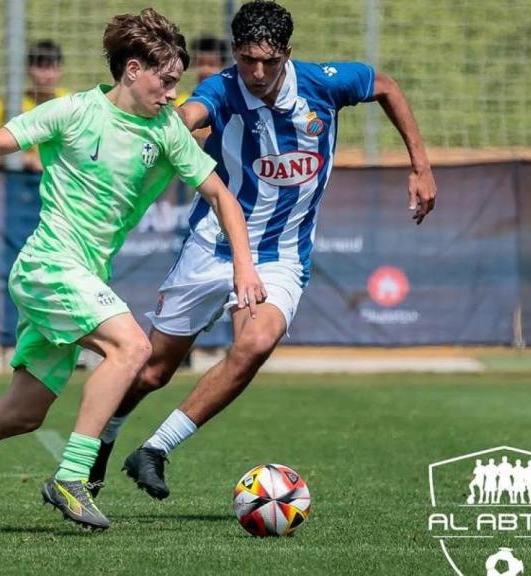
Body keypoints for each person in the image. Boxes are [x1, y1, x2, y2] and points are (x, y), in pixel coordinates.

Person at [0, 8, 262, 532]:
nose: (171, 94)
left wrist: (244, 269)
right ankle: (71, 479)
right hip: (49, 265)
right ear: (133, 69)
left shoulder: (165, 129)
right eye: (165, 80)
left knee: (21, 414)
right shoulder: (72, 112)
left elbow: (223, 197)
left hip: (81, 278)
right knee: (131, 347)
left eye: (176, 83)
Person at [87, 0, 437, 500]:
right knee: (153, 371)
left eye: (268, 62)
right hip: (213, 244)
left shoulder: (325, 83)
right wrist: (156, 128)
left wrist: (420, 164)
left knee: (254, 343)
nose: (256, 72)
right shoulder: (224, 88)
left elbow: (386, 86)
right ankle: (104, 439)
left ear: (287, 54)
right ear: (235, 53)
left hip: (282, 254)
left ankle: (156, 449)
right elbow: (191, 114)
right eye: (247, 59)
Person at [0, 39, 67, 172]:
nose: (48, 75)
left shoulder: (71, 103)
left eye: (53, 67)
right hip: (18, 182)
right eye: (41, 67)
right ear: (28, 69)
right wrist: (22, 159)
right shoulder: (4, 107)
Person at [175, 35, 230, 106]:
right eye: (200, 63)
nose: (205, 70)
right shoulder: (181, 102)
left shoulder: (230, 102)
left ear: (223, 66)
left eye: (211, 64)